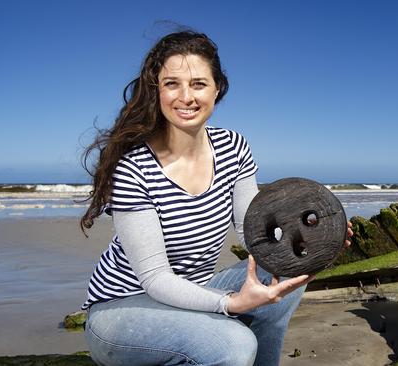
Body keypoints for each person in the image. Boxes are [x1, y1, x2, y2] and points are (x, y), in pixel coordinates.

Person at [79, 30, 352, 366]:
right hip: (124, 309)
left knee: (287, 272)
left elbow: (254, 230)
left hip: (197, 290)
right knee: (232, 345)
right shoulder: (134, 167)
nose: (185, 97)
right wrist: (231, 303)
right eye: (171, 84)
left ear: (217, 88)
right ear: (156, 90)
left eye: (198, 84)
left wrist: (321, 237)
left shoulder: (233, 148)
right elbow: (155, 279)